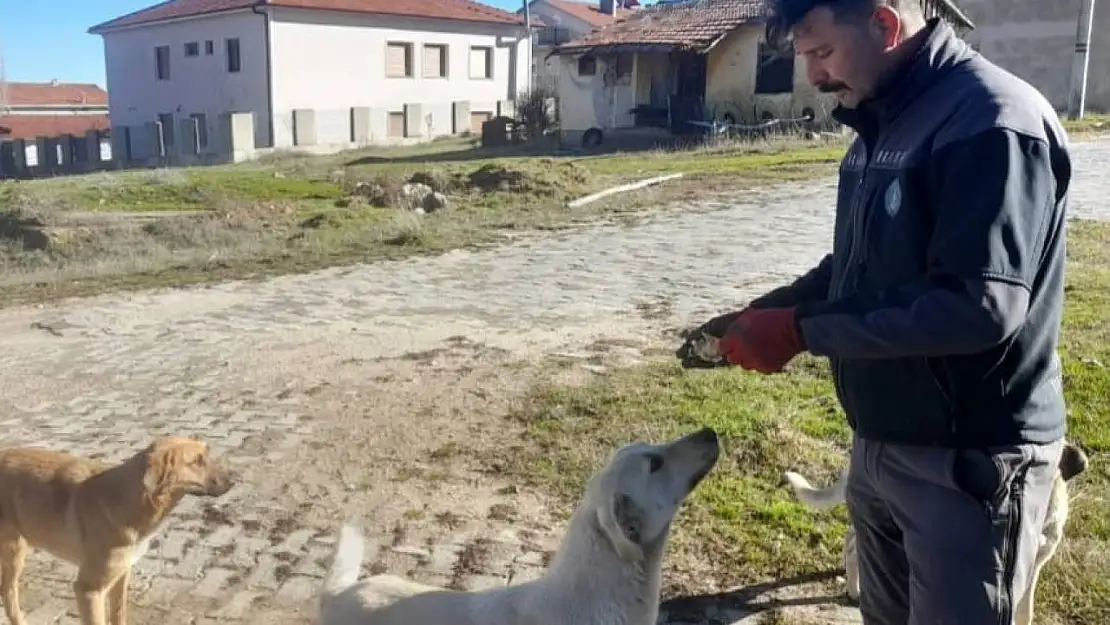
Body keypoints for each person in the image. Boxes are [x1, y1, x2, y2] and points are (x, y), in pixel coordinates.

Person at [676, 0, 1073, 623]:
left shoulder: (991, 123)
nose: (813, 77)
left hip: (966, 466)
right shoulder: (883, 125)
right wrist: (772, 308)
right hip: (879, 446)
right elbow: (857, 269)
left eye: (823, 53)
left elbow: (979, 306)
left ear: (885, 26)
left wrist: (799, 332)